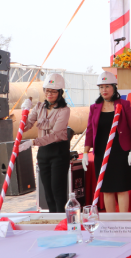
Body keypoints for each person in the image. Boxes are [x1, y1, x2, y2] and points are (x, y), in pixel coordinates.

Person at [82, 71, 131, 212]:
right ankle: (111, 222)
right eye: (101, 87)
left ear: (114, 88)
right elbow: (90, 130)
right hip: (101, 153)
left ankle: (123, 222)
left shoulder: (124, 104)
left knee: (121, 188)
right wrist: (85, 152)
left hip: (121, 152)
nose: (104, 90)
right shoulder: (94, 108)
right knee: (106, 189)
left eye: (107, 86)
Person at [18, 74, 71, 213]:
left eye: (53, 91)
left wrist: (33, 142)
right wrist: (24, 113)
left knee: (57, 190)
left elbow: (55, 135)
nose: (49, 94)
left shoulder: (64, 110)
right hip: (44, 153)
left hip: (59, 152)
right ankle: (53, 220)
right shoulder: (39, 107)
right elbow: (27, 125)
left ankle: (62, 221)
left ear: (60, 92)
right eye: (47, 90)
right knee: (47, 190)